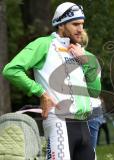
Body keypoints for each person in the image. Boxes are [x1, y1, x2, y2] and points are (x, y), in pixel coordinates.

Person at [2, 2, 101, 160]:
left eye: (82, 24)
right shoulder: (44, 45)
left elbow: (95, 91)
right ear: (61, 25)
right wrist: (41, 93)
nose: (80, 29)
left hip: (84, 124)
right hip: (59, 122)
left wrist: (86, 62)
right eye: (75, 24)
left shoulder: (83, 53)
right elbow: (11, 70)